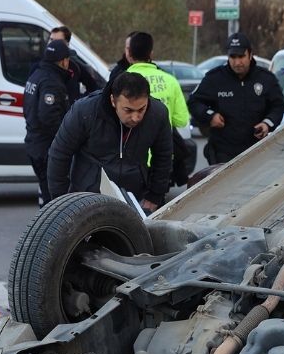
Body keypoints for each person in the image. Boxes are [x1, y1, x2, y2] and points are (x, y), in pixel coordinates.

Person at [48, 71, 173, 213]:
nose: (135, 117)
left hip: (135, 197)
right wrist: (61, 202)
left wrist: (154, 196)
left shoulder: (158, 114)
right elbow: (59, 153)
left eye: (141, 109)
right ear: (113, 100)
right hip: (87, 197)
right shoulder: (85, 111)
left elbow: (164, 155)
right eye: (128, 110)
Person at [188, 32, 284, 164]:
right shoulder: (215, 78)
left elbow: (278, 106)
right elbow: (194, 101)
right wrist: (210, 116)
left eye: (241, 56)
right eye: (232, 57)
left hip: (256, 152)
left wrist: (267, 123)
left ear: (250, 55)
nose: (237, 62)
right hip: (223, 153)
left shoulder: (266, 79)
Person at [123, 31, 195, 186]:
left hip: (131, 159)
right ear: (151, 53)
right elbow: (181, 120)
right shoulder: (170, 80)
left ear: (129, 53)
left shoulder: (121, 81)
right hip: (161, 158)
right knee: (157, 204)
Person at [23, 39, 73, 205]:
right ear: (63, 61)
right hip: (47, 148)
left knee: (47, 195)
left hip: (34, 143)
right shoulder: (51, 82)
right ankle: (50, 230)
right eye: (68, 59)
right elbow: (49, 118)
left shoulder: (36, 75)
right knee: (54, 201)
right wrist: (67, 142)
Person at [50, 25, 102, 103]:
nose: (52, 44)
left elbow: (93, 86)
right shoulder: (40, 66)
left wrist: (80, 102)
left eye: (57, 41)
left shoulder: (74, 66)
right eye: (51, 40)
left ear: (67, 44)